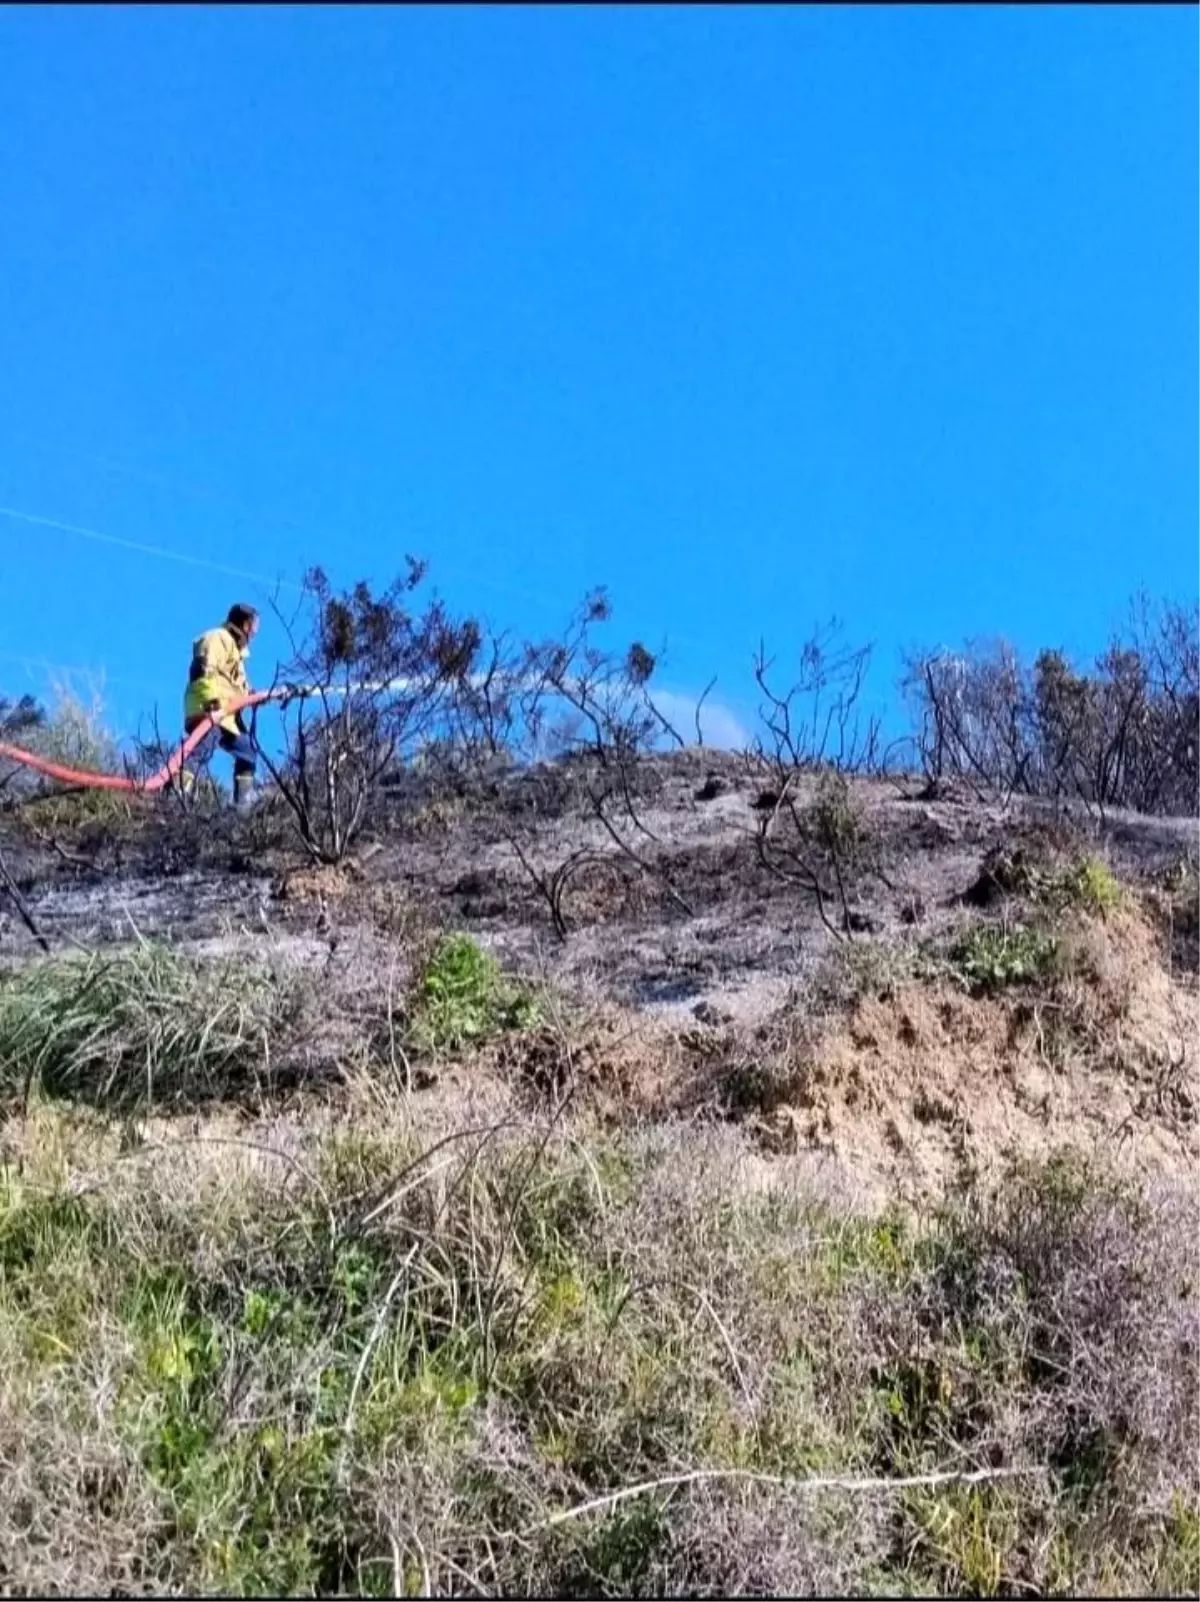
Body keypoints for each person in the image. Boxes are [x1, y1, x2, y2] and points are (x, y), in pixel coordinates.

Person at [183, 603, 260, 809]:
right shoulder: (217, 639)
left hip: (226, 717)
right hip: (207, 708)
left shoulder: (237, 653)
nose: (254, 633)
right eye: (253, 627)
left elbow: (235, 686)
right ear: (244, 625)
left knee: (248, 751)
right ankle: (177, 792)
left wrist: (252, 695)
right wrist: (210, 701)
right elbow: (202, 670)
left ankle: (243, 807)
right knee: (202, 749)